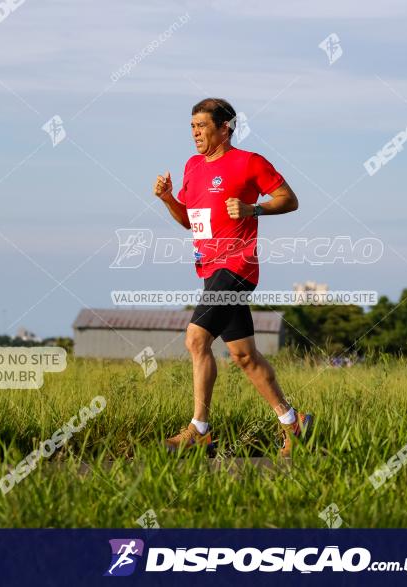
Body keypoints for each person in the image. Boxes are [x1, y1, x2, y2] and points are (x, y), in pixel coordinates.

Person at [153, 97, 312, 458]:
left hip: (237, 267)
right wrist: (166, 199)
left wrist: (253, 208)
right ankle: (293, 421)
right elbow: (189, 221)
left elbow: (289, 199)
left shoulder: (249, 162)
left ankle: (200, 430)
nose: (195, 133)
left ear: (225, 127)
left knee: (195, 340)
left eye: (202, 126)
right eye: (192, 126)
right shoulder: (192, 167)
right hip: (209, 270)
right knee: (245, 357)